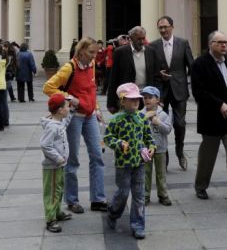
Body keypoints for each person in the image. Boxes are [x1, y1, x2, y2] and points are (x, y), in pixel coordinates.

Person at [43, 37, 107, 214]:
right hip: (75, 117)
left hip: (90, 115)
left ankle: (98, 199)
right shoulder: (68, 67)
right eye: (91, 52)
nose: (94, 56)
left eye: (96, 52)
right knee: (72, 159)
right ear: (80, 52)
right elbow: (48, 87)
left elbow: (91, 90)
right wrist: (70, 99)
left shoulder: (92, 66)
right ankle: (72, 200)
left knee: (97, 155)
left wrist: (97, 109)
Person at [191, 30, 227, 214]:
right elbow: (198, 92)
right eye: (220, 42)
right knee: (208, 155)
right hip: (211, 117)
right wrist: (219, 104)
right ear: (211, 44)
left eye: (226, 42)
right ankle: (201, 185)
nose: (225, 45)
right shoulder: (200, 64)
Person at [104, 83, 155, 240]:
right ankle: (113, 212)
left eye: (137, 99)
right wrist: (118, 143)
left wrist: (152, 146)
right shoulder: (116, 120)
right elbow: (107, 138)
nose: (136, 102)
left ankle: (138, 225)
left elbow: (148, 135)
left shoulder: (141, 117)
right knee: (123, 193)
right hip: (123, 164)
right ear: (122, 101)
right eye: (131, 99)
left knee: (139, 194)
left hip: (139, 163)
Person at [149, 16, 194, 170]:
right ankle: (164, 155)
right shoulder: (153, 46)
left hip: (179, 89)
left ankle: (180, 152)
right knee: (160, 123)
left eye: (165, 27)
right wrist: (158, 73)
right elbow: (151, 69)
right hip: (161, 92)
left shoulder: (183, 43)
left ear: (172, 27)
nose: (163, 30)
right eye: (160, 28)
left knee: (179, 123)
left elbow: (191, 66)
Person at [40, 92, 76, 233]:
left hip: (59, 164)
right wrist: (57, 158)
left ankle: (57, 211)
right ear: (60, 110)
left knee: (59, 190)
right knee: (52, 191)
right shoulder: (52, 127)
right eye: (67, 106)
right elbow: (45, 145)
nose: (68, 108)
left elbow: (66, 122)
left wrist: (72, 110)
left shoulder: (59, 122)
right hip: (53, 166)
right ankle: (50, 218)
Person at [106, 26, 159, 114]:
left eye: (143, 38)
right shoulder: (120, 52)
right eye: (138, 39)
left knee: (145, 124)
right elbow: (113, 78)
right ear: (131, 38)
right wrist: (110, 103)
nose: (142, 42)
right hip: (127, 98)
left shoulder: (151, 51)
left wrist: (157, 97)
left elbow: (156, 76)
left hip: (146, 96)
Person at [140, 86, 172, 206]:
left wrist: (159, 123)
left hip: (160, 149)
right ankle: (145, 195)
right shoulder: (141, 114)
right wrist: (144, 119)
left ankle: (163, 195)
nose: (147, 100)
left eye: (150, 97)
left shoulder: (163, 115)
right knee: (145, 173)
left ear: (157, 99)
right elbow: (137, 128)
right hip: (145, 149)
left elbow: (168, 129)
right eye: (145, 97)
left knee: (161, 173)